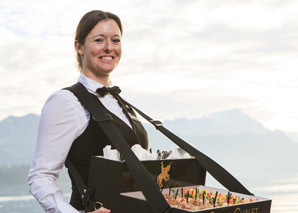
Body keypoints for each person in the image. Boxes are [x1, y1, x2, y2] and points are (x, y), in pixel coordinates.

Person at [28, 10, 148, 213]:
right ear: (79, 46)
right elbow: (40, 177)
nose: (109, 47)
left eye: (116, 40)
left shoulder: (122, 104)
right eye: (99, 40)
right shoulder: (65, 101)